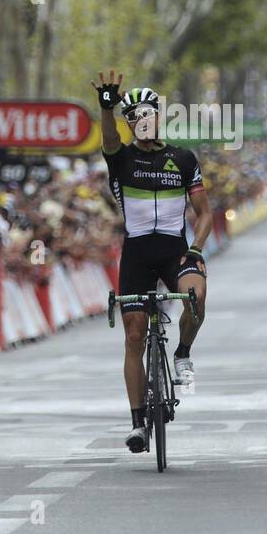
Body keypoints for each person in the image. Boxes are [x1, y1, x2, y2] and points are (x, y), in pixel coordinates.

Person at [90, 71, 212, 454]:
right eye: (134, 117)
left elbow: (205, 214)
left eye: (147, 113)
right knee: (133, 335)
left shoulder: (183, 158)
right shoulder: (122, 159)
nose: (141, 121)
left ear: (159, 116)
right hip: (138, 255)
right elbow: (108, 140)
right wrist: (107, 109)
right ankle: (138, 422)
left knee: (196, 297)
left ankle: (182, 352)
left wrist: (196, 248)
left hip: (176, 251)